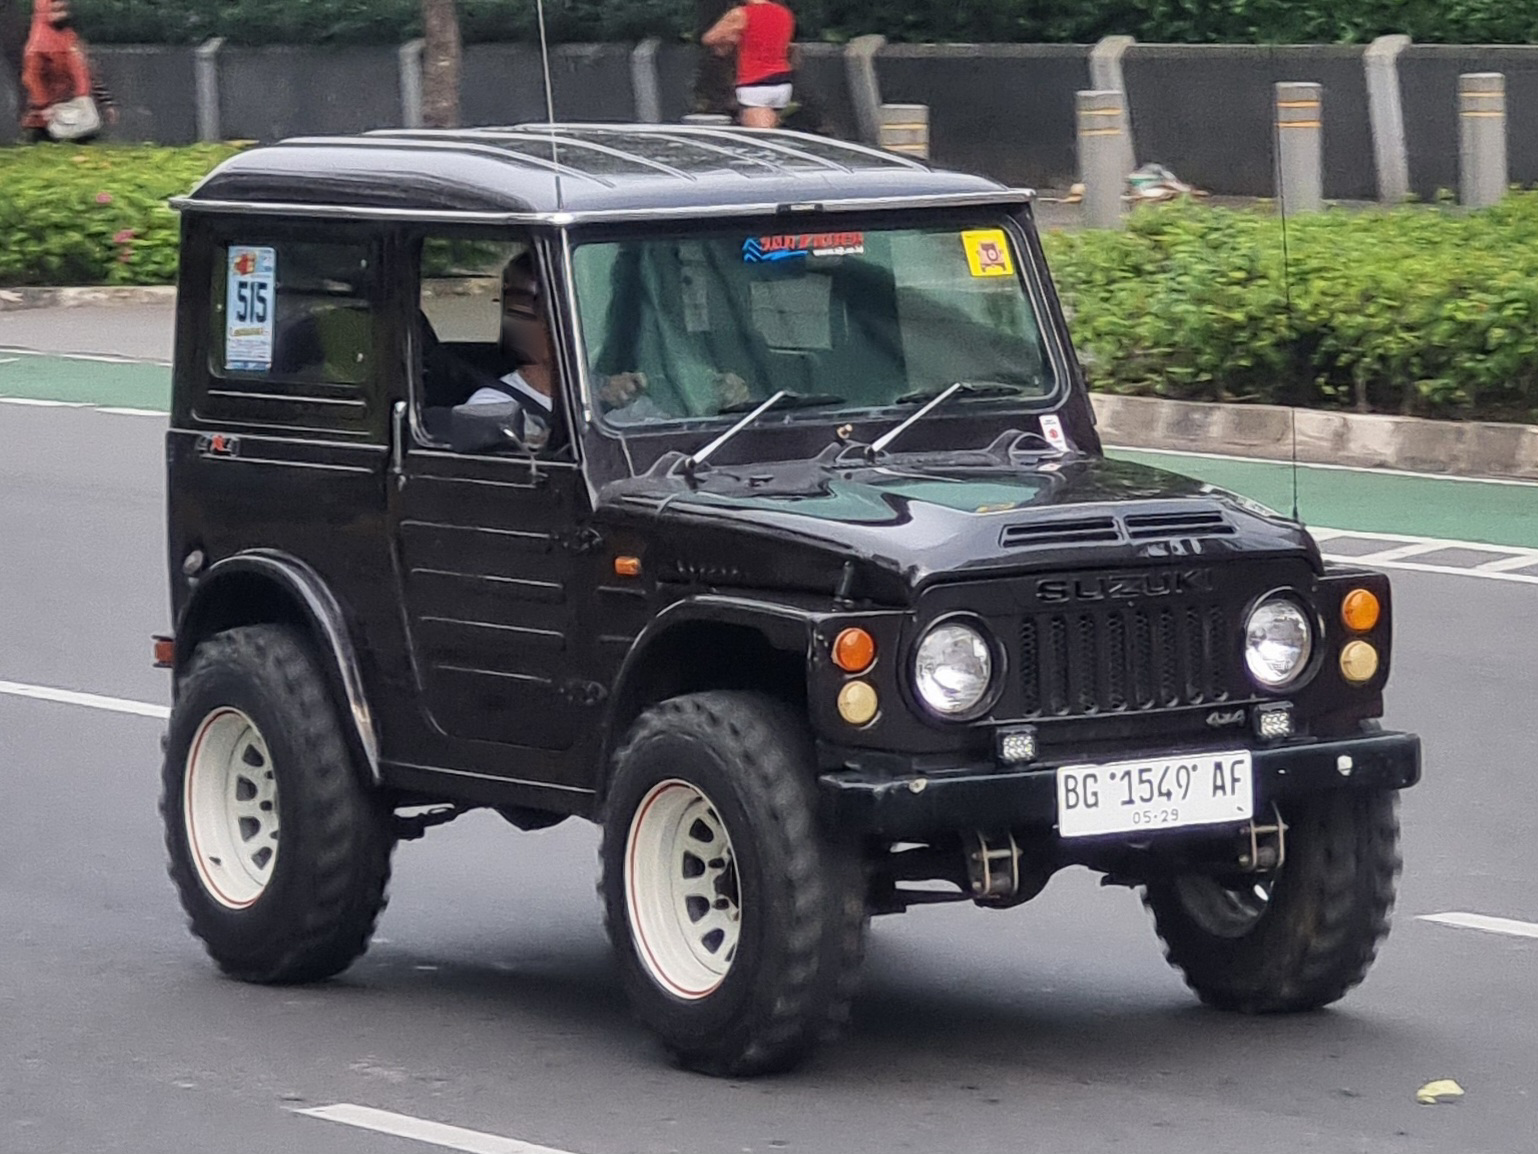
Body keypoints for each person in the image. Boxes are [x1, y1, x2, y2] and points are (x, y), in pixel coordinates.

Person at [20, 0, 112, 143]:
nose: (62, 15)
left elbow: (84, 71)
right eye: (56, 11)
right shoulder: (38, 46)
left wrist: (96, 99)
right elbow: (32, 78)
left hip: (73, 106)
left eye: (64, 10)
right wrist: (44, 105)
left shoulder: (69, 38)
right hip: (46, 115)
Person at [703, 0, 795, 129]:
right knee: (772, 134)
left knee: (759, 140)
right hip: (782, 82)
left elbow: (710, 38)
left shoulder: (741, 14)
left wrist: (732, 38)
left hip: (755, 83)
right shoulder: (784, 13)